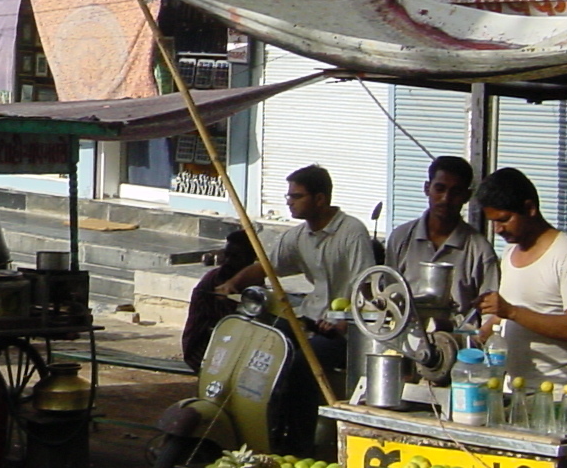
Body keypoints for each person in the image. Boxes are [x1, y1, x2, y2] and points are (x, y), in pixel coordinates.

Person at [222, 164, 374, 369]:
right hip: (309, 319)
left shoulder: (352, 231)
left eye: (296, 197)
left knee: (298, 364)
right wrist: (231, 284)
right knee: (258, 346)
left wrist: (344, 323)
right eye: (288, 197)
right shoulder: (297, 236)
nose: (290, 203)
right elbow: (267, 267)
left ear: (319, 199)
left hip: (342, 331)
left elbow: (364, 286)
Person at [475, 166, 567, 387]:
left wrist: (511, 311)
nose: (498, 229)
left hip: (559, 392)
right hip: (515, 389)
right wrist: (482, 333)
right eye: (493, 222)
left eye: (504, 219)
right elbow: (508, 313)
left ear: (529, 208)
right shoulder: (510, 252)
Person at [383, 155, 499, 326]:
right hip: (404, 340)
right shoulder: (401, 238)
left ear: (467, 196)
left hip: (457, 345)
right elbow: (389, 297)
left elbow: (491, 314)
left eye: (456, 192)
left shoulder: (480, 250)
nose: (446, 198)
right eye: (440, 189)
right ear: (427, 188)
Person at [180, 228, 262, 371]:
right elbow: (228, 323)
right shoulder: (215, 281)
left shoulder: (254, 283)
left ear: (251, 258)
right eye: (227, 255)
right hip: (202, 348)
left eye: (235, 257)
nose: (228, 262)